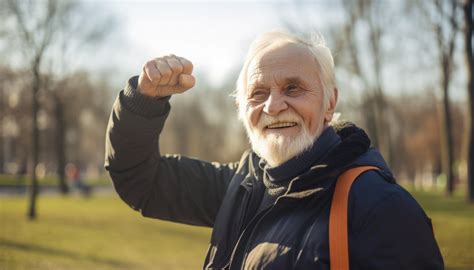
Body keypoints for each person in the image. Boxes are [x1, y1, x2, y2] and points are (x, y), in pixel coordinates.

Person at [105, 31, 444, 269]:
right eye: (258, 93)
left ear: (330, 103)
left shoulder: (379, 207)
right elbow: (141, 181)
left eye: (293, 88)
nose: (274, 105)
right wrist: (143, 101)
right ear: (242, 109)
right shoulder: (242, 184)